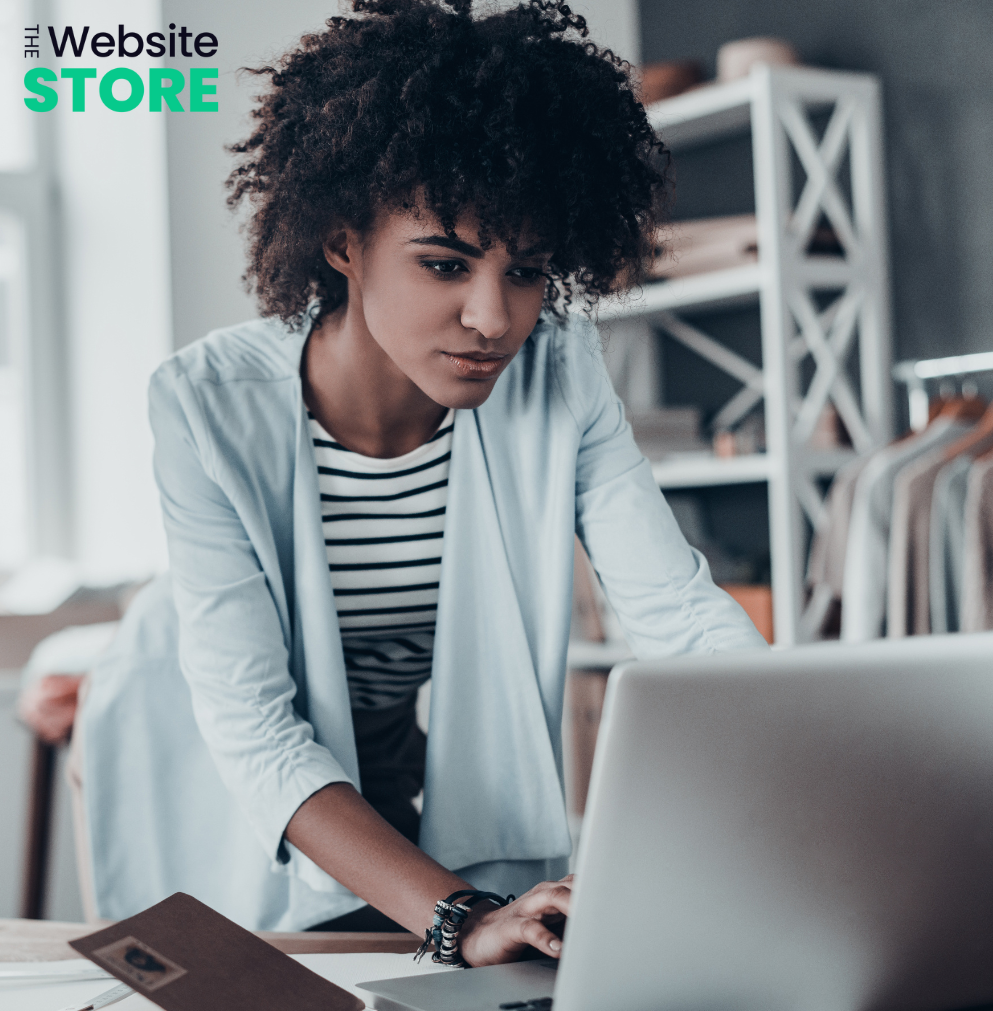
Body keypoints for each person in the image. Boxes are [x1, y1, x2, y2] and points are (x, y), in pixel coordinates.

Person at [76, 0, 769, 960]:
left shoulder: (558, 370)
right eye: (445, 264)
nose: (493, 317)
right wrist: (461, 915)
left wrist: (848, 828)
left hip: (385, 746)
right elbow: (255, 727)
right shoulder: (203, 405)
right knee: (230, 1008)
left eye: (525, 271)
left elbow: (682, 621)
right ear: (341, 241)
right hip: (203, 745)